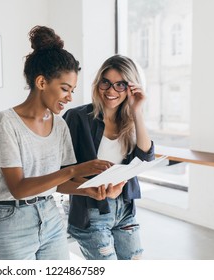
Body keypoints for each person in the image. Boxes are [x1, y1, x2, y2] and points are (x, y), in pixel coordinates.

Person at [0, 26, 125, 260]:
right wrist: (76, 170)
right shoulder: (5, 122)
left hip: (50, 214)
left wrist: (92, 190)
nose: (70, 97)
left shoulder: (59, 125)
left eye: (72, 90)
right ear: (41, 82)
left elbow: (59, 182)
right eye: (64, 89)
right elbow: (19, 188)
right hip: (11, 220)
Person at [63, 54, 155, 260]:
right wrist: (95, 189)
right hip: (92, 212)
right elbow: (63, 170)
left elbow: (146, 159)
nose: (111, 90)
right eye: (106, 82)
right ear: (98, 83)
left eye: (120, 85)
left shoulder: (130, 121)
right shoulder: (77, 117)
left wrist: (137, 111)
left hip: (125, 211)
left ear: (130, 89)